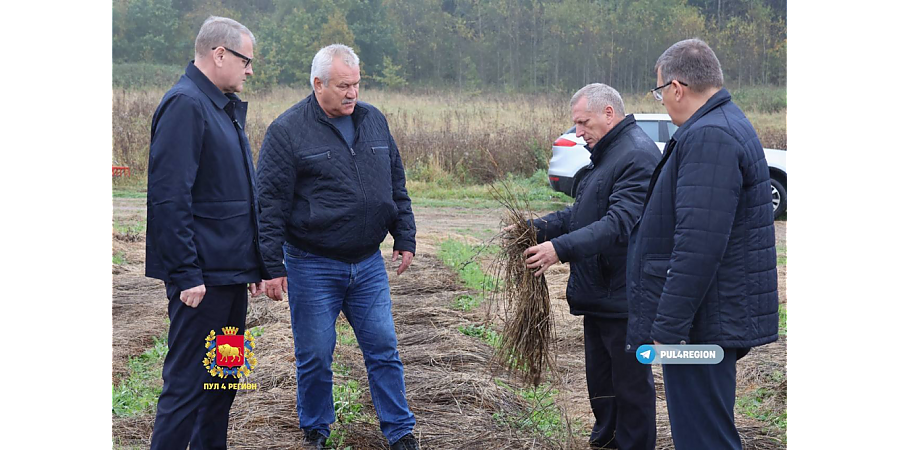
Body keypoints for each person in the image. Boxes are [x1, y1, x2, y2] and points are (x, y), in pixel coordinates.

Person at [256, 44, 419, 450]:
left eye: (356, 85)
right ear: (318, 84)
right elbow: (269, 203)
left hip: (367, 263)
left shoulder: (374, 121)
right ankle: (315, 429)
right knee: (314, 354)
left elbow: (395, 183)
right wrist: (269, 264)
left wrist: (405, 235)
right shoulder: (287, 131)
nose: (352, 94)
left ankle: (400, 432)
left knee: (383, 348)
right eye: (343, 86)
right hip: (312, 264)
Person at [625, 38, 779, 450]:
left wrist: (668, 329)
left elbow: (698, 244)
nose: (662, 102)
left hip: (699, 326)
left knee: (703, 439)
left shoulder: (711, 136)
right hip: (707, 317)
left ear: (677, 87)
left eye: (659, 92)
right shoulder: (720, 125)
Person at [144, 16, 268, 450]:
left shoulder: (221, 106)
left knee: (223, 382)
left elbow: (235, 196)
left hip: (231, 277)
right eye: (245, 60)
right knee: (186, 387)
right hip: (202, 283)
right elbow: (168, 197)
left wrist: (251, 263)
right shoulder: (185, 104)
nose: (249, 70)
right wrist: (185, 273)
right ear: (219, 54)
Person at [517, 83, 661, 449]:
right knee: (603, 388)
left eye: (583, 122)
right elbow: (581, 214)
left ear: (608, 113)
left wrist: (558, 250)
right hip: (601, 295)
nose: (578, 132)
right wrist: (534, 229)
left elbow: (617, 224)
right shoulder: (606, 156)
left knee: (629, 391)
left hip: (624, 298)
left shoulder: (636, 156)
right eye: (576, 124)